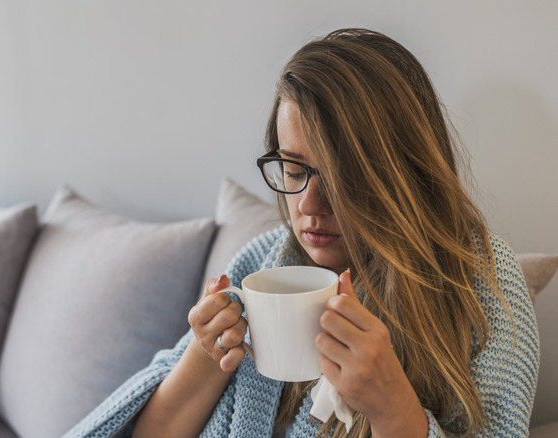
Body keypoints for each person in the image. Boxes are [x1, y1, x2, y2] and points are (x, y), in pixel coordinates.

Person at [64, 28, 539, 438]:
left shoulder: (483, 286)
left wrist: (394, 408)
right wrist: (206, 357)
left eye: (339, 175)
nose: (308, 207)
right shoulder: (263, 264)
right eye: (293, 169)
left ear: (401, 172)